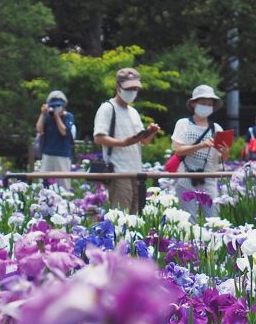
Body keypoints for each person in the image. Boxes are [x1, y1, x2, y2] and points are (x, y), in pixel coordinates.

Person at [93, 68, 160, 214]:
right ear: (118, 87)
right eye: (129, 88)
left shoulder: (133, 112)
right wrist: (123, 142)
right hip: (118, 172)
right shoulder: (107, 108)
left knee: (136, 216)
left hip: (136, 172)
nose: (133, 92)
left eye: (136, 88)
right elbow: (98, 137)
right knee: (121, 216)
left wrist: (150, 132)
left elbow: (143, 142)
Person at [171, 85, 229, 223]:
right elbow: (178, 150)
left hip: (208, 180)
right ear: (193, 104)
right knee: (189, 221)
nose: (206, 107)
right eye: (203, 103)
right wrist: (200, 145)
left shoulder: (217, 128)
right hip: (186, 178)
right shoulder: (183, 124)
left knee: (214, 220)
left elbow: (222, 159)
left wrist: (226, 152)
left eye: (209, 104)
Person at [36, 90, 76, 189]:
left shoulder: (68, 116)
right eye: (53, 106)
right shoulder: (47, 116)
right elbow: (39, 129)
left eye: (58, 106)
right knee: (43, 183)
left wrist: (57, 116)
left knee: (64, 184)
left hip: (62, 154)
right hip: (47, 153)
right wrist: (42, 114)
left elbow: (64, 131)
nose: (56, 108)